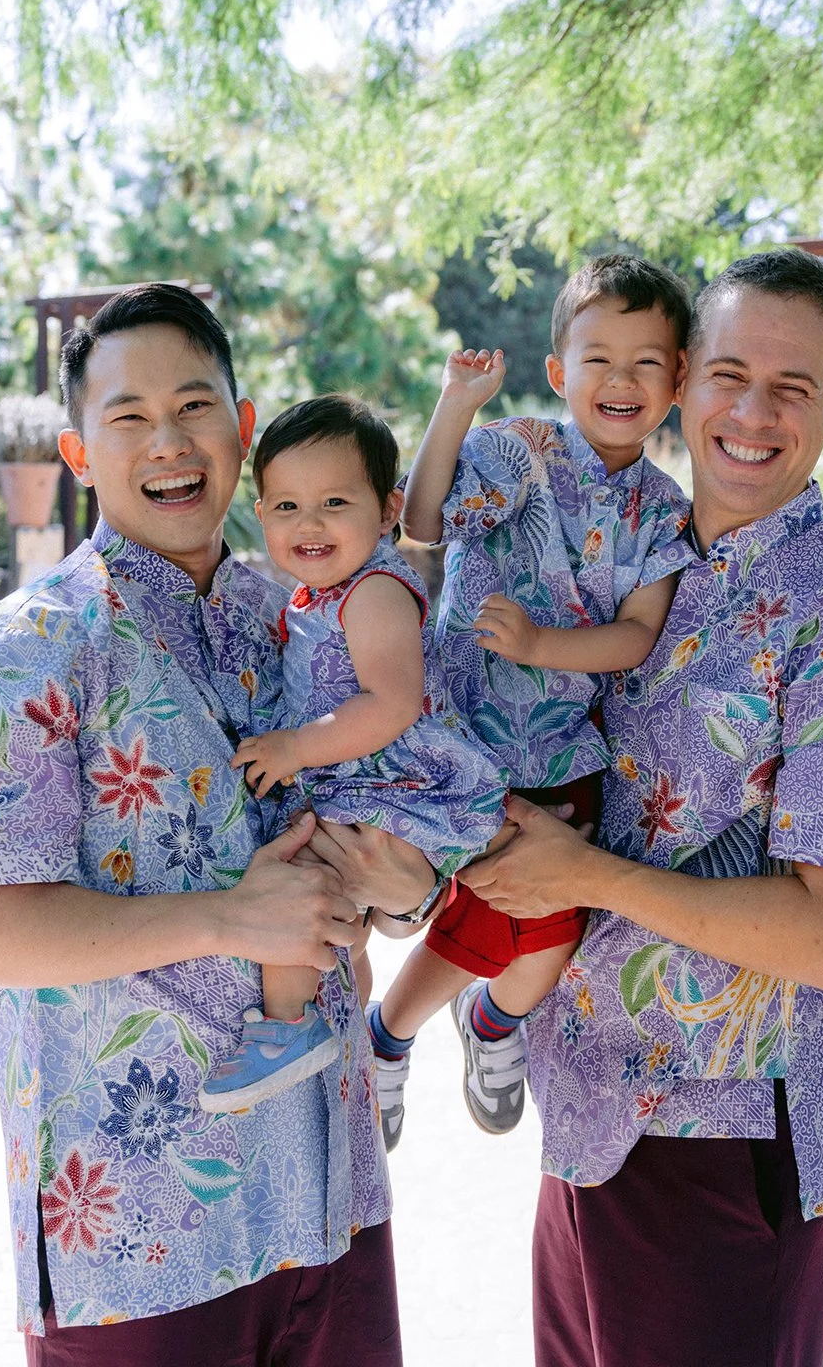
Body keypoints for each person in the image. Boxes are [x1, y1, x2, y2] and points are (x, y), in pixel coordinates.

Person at [0, 284, 438, 1364]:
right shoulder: (17, 650)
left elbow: (375, 828)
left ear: (243, 432)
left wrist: (404, 886)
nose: (169, 442)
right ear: (77, 452)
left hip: (329, 1204)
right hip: (141, 1249)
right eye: (129, 417)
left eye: (195, 407)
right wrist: (223, 920)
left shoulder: (303, 617)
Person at [460, 249, 823, 1367]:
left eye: (790, 388)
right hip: (589, 1120)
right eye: (727, 374)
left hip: (726, 1143)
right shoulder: (626, 569)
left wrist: (581, 877)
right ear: (681, 384)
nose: (750, 412)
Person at [369, 255, 696, 1146]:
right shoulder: (521, 453)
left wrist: (546, 646)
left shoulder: (665, 511)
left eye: (645, 363)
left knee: (555, 935)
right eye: (598, 359)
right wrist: (457, 408)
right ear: (560, 372)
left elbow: (636, 634)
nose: (620, 380)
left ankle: (487, 1024)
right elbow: (423, 521)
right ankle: (388, 1037)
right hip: (465, 738)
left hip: (562, 750)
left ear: (677, 383)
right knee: (489, 907)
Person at [199, 394, 504, 1110]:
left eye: (335, 501)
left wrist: (296, 748)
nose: (309, 524)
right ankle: (349, 1017)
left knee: (294, 879)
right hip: (359, 779)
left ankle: (286, 1027)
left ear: (390, 507)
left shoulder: (373, 591)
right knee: (339, 914)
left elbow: (391, 703)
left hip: (394, 785)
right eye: (285, 507)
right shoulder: (313, 596)